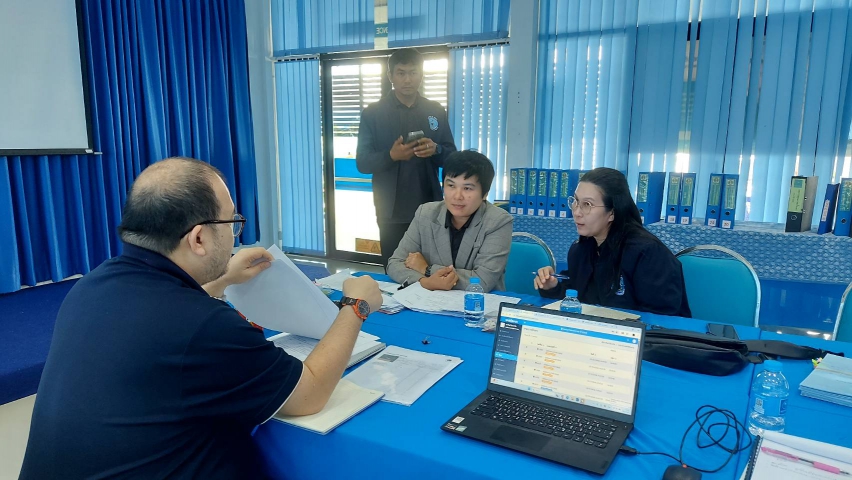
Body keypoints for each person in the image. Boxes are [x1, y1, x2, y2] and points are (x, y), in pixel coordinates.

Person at [19, 157, 383, 479]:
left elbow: (163, 324)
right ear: (198, 239)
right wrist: (355, 306)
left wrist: (223, 279)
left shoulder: (94, 284)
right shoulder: (205, 326)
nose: (234, 235)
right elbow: (309, 393)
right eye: (231, 222)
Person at [534, 168, 691, 317]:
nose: (576, 212)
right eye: (575, 201)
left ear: (612, 213)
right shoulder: (580, 249)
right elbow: (576, 297)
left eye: (587, 204)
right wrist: (552, 287)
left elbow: (661, 319)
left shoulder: (648, 254)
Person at [356, 48, 457, 267]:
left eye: (413, 72)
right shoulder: (373, 113)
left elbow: (452, 158)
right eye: (401, 73)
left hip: (431, 209)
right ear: (390, 76)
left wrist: (437, 149)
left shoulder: (435, 110)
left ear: (421, 75)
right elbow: (362, 162)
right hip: (391, 211)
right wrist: (391, 156)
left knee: (432, 269)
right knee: (395, 269)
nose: (408, 79)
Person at [387, 150, 512, 293]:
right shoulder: (426, 213)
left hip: (477, 303)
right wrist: (426, 282)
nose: (457, 196)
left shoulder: (498, 221)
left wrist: (426, 269)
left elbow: (483, 281)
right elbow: (395, 263)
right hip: (430, 300)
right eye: (451, 186)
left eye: (467, 188)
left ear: (485, 193)